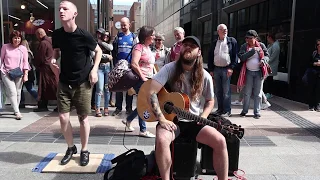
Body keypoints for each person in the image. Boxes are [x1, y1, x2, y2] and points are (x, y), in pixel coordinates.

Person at [146, 36, 228, 180]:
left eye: (192, 46)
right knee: (161, 140)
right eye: (185, 45)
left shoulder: (205, 76)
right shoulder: (169, 68)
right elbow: (151, 92)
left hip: (194, 122)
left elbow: (210, 101)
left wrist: (203, 117)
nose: (188, 47)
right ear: (180, 49)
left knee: (220, 140)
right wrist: (162, 119)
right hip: (172, 121)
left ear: (199, 52)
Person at [51, 0, 102, 166]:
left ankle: (84, 149)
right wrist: (54, 57)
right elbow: (57, 49)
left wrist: (94, 70)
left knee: (83, 118)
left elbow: (98, 51)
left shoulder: (83, 35)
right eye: (59, 9)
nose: (61, 11)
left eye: (65, 9)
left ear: (74, 14)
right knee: (63, 117)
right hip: (65, 81)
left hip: (82, 81)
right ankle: (71, 147)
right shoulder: (57, 34)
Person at [122, 26, 156, 138]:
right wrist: (142, 77)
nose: (154, 37)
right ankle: (143, 129)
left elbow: (150, 65)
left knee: (144, 103)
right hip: (141, 80)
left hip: (148, 79)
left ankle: (128, 119)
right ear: (147, 36)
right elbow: (134, 63)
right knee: (145, 104)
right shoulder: (138, 47)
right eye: (153, 35)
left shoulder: (147, 48)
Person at [238, 30, 270, 119]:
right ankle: (244, 111)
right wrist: (251, 52)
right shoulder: (244, 46)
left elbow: (267, 55)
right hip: (248, 72)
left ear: (255, 38)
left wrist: (263, 60)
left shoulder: (261, 46)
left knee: (258, 93)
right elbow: (241, 57)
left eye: (250, 38)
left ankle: (257, 112)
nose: (248, 40)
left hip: (259, 72)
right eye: (247, 38)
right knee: (247, 92)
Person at [208, 24, 238, 117]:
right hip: (216, 69)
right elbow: (210, 56)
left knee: (226, 91)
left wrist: (231, 68)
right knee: (218, 91)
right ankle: (220, 109)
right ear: (218, 32)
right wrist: (211, 70)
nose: (225, 31)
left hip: (226, 69)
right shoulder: (214, 42)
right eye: (222, 29)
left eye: (226, 29)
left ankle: (227, 111)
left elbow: (235, 56)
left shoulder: (231, 41)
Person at [111, 17, 138, 116]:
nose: (123, 26)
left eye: (124, 24)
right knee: (119, 88)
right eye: (121, 25)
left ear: (129, 25)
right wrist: (115, 64)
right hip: (119, 68)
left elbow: (136, 51)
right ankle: (118, 108)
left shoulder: (134, 37)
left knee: (129, 89)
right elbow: (114, 51)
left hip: (130, 68)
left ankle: (129, 108)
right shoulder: (118, 37)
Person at [0, 30, 30, 120]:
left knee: (18, 92)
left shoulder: (23, 49)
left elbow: (25, 62)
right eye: (15, 38)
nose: (17, 40)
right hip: (6, 72)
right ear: (11, 39)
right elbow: (1, 59)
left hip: (18, 73)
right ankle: (17, 112)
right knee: (12, 91)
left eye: (18, 38)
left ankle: (15, 109)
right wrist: (1, 70)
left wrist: (26, 74)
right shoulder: (5, 47)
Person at [33, 28, 59, 112]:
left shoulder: (43, 43)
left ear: (40, 34)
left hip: (45, 68)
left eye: (37, 35)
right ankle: (59, 105)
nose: (37, 37)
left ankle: (43, 105)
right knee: (53, 86)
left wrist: (36, 65)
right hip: (53, 66)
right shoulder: (52, 41)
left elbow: (40, 57)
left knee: (44, 87)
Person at [95, 31, 113, 117]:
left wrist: (101, 42)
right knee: (99, 89)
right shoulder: (96, 44)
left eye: (107, 36)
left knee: (107, 89)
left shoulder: (107, 44)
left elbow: (111, 48)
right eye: (104, 35)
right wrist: (106, 56)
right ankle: (97, 108)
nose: (106, 37)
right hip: (100, 68)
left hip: (108, 68)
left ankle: (106, 108)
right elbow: (94, 54)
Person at [19, 39, 38, 108]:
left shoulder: (26, 53)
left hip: (26, 73)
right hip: (30, 73)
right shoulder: (30, 52)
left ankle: (38, 99)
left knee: (27, 88)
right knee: (29, 88)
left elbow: (26, 64)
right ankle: (37, 99)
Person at [307, 39, 320, 111]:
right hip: (313, 74)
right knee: (311, 89)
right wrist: (314, 64)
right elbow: (309, 63)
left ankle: (317, 105)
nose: (319, 46)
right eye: (318, 44)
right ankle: (311, 105)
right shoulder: (314, 53)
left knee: (318, 90)